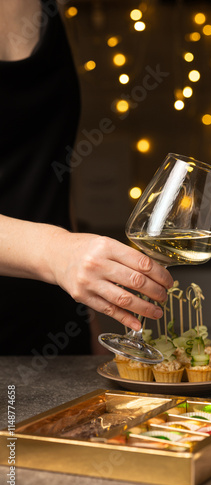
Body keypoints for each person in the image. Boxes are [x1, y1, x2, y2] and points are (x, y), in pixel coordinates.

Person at [0, 0, 173, 355]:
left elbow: (49, 168)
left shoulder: (52, 7)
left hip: (54, 325)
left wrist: (87, 317)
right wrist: (54, 251)